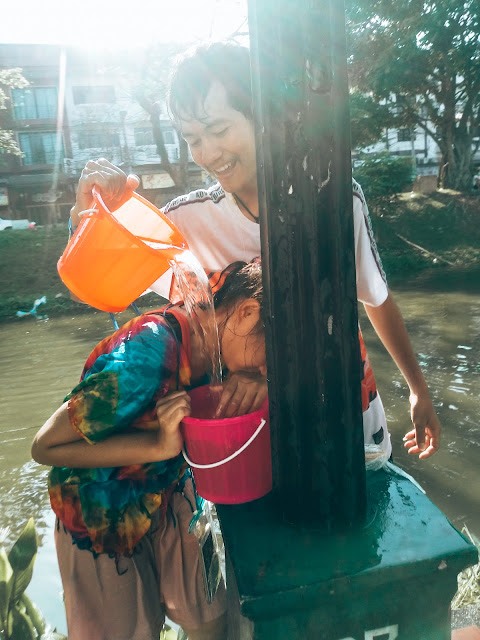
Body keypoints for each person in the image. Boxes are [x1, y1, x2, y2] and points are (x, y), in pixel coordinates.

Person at [69, 41, 440, 459]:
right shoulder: (187, 224)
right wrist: (88, 216)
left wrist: (417, 390)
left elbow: (375, 298)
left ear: (262, 118)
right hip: (247, 441)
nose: (208, 153)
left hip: (346, 419)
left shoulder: (335, 202)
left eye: (220, 130)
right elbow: (98, 288)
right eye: (193, 139)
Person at [32, 259, 267, 640]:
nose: (265, 370)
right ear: (247, 312)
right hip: (100, 509)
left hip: (173, 489)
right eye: (270, 357)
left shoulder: (217, 345)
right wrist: (157, 444)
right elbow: (45, 446)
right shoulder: (148, 354)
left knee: (209, 618)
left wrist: (263, 382)